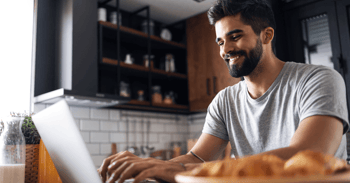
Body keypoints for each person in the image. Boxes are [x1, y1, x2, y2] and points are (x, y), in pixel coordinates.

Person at [98, 0, 349, 182]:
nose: (225, 49)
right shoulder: (224, 100)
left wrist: (173, 169)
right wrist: (151, 166)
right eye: (220, 41)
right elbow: (198, 158)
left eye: (235, 36)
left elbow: (308, 155)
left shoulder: (319, 79)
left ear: (267, 35)